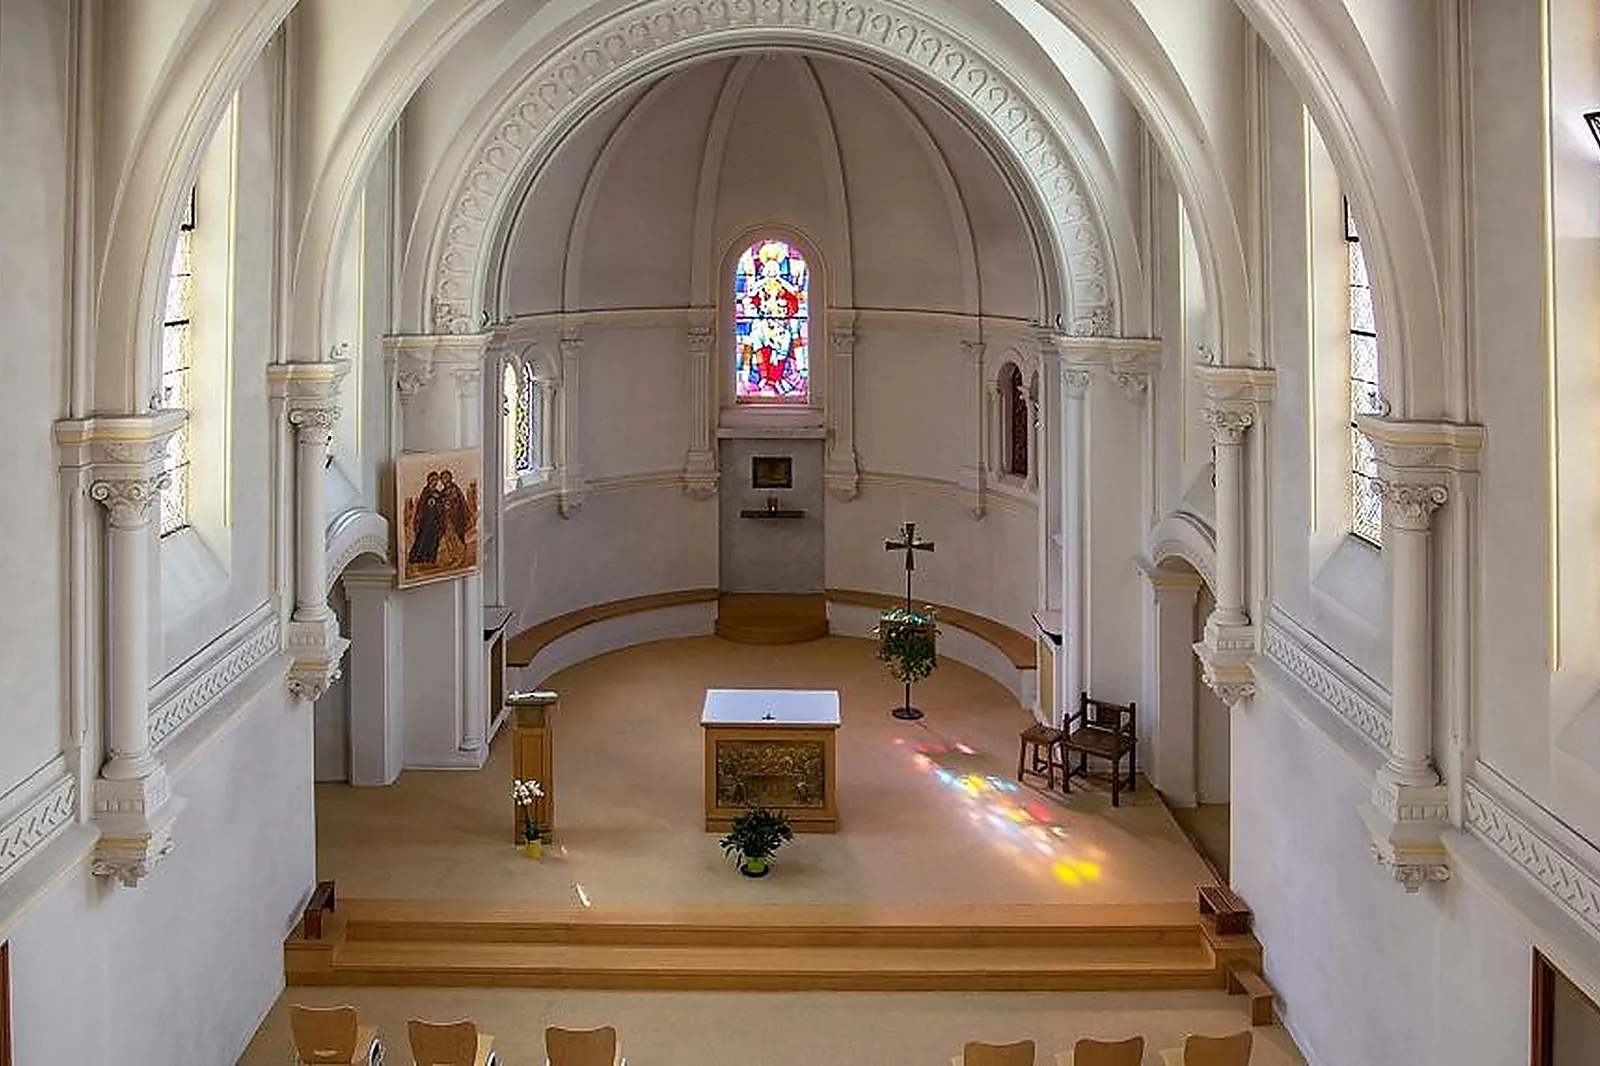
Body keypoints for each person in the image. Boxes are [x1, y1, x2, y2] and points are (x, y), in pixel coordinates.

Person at [435, 469, 471, 569]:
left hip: (454, 519)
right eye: (442, 478)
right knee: (448, 538)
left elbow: (457, 503)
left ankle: (460, 557)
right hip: (446, 519)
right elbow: (441, 503)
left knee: (456, 538)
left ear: (450, 478)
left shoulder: (454, 489)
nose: (444, 480)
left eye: (445, 477)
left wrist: (449, 504)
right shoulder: (443, 491)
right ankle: (453, 557)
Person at [407, 471, 445, 567]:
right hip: (426, 521)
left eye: (436, 480)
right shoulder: (425, 492)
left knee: (433, 540)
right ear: (429, 481)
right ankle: (418, 559)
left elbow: (441, 506)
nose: (435, 482)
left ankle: (430, 559)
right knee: (423, 539)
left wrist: (439, 503)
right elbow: (421, 507)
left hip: (435, 521)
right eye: (433, 480)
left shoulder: (438, 493)